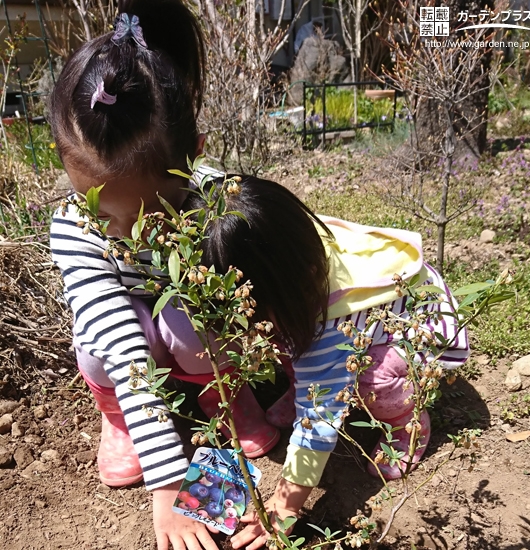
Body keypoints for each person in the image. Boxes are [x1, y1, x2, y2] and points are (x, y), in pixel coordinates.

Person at [48, 2, 279, 549]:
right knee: (99, 342)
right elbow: (126, 350)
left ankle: (220, 400)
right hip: (126, 356)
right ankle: (121, 422)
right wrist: (169, 485)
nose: (128, 234)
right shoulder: (74, 230)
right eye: (104, 212)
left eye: (154, 211)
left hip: (192, 339)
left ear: (193, 159)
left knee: (197, 308)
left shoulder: (212, 197)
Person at [183, 175, 470, 550]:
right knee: (289, 340)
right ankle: (309, 380)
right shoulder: (285, 250)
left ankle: (405, 424)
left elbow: (319, 421)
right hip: (324, 323)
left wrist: (285, 507)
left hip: (420, 342)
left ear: (303, 285)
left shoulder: (329, 324)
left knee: (370, 380)